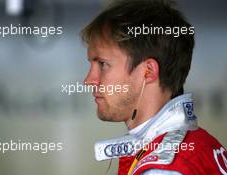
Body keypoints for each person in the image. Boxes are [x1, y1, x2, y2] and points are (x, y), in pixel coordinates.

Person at [81, 0, 227, 174]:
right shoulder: (201, 143)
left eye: (103, 64)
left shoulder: (162, 168)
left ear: (148, 71)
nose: (89, 80)